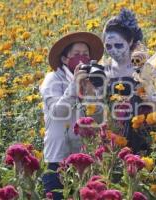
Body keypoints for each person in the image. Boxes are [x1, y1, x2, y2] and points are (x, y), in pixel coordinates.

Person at [39, 32, 104, 200]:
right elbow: (57, 112)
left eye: (86, 55)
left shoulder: (91, 80)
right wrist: (75, 85)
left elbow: (98, 118)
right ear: (64, 59)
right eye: (76, 55)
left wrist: (90, 93)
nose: (82, 59)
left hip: (84, 160)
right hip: (58, 160)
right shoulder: (52, 80)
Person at [101, 8, 156, 153]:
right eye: (108, 46)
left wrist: (149, 96)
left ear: (129, 41)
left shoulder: (145, 67)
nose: (113, 50)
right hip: (115, 134)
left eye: (118, 45)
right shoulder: (104, 67)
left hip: (143, 131)